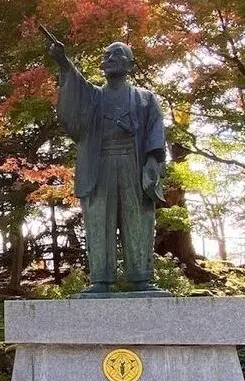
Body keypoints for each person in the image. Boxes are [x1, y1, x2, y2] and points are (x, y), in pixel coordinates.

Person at [46, 37, 167, 294]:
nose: (109, 59)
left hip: (133, 164)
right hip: (99, 165)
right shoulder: (93, 97)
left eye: (117, 54)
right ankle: (100, 279)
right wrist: (64, 63)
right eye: (106, 55)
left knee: (138, 220)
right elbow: (75, 90)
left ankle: (141, 278)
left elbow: (156, 129)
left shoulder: (146, 99)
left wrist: (154, 160)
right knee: (99, 220)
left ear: (130, 65)